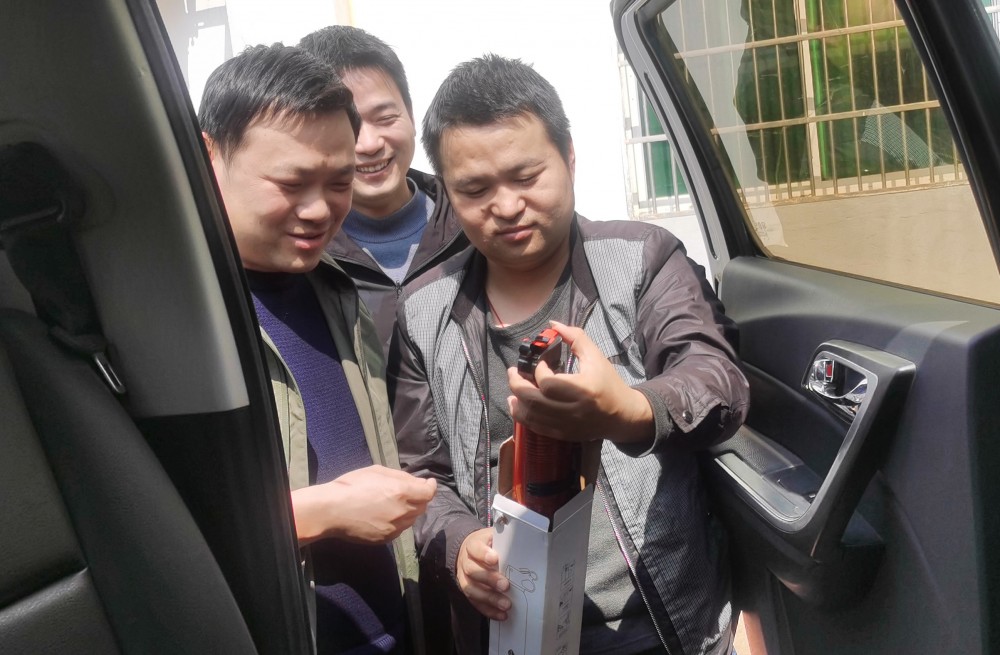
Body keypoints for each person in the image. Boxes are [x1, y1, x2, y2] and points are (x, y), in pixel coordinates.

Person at [387, 55, 749, 655]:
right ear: (446, 193)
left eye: (527, 176)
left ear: (570, 159)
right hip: (514, 629)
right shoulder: (423, 310)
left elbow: (716, 379)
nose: (506, 205)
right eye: (475, 189)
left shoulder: (643, 259)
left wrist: (628, 412)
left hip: (664, 624)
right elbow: (422, 472)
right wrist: (459, 545)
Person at [199, 43, 435, 654]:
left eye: (339, 183)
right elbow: (150, 528)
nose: (319, 210)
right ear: (208, 157)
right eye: (291, 183)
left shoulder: (337, 290)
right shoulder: (175, 317)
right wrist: (321, 512)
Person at [298, 26, 468, 352]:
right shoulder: (305, 253)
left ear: (411, 115)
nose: (370, 144)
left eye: (386, 117)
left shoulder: (472, 224)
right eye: (350, 126)